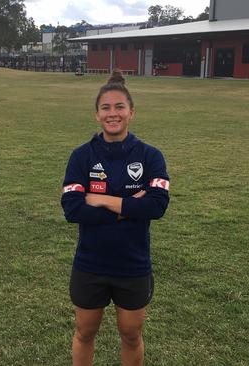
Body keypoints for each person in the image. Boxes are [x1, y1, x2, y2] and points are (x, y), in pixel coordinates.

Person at [61, 69, 170, 366]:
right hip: (90, 263)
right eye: (106, 108)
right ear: (97, 114)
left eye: (119, 107)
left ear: (131, 112)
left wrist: (104, 201)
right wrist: (127, 210)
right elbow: (72, 209)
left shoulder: (150, 156)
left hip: (133, 264)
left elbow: (157, 205)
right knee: (85, 333)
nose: (113, 114)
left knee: (131, 335)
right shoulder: (81, 156)